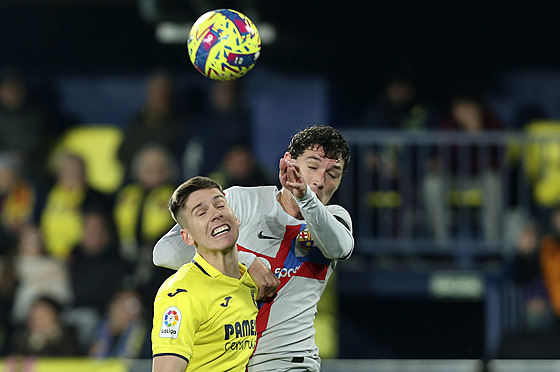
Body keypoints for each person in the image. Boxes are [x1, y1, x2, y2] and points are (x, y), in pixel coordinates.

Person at [154, 124, 353, 371]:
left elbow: (339, 248)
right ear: (288, 163)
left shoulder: (335, 220)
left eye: (333, 174)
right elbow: (162, 253)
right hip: (227, 364)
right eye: (312, 167)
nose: (320, 181)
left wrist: (305, 199)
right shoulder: (241, 200)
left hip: (287, 364)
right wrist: (244, 261)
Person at [152, 176, 259, 371]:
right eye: (201, 213)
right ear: (187, 236)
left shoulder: (248, 282)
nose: (216, 214)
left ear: (235, 217)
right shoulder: (181, 293)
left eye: (220, 205)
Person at [88, 288, 151, 359]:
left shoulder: (146, 335)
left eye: (133, 306)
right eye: (122, 304)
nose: (127, 311)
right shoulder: (97, 329)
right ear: (111, 306)